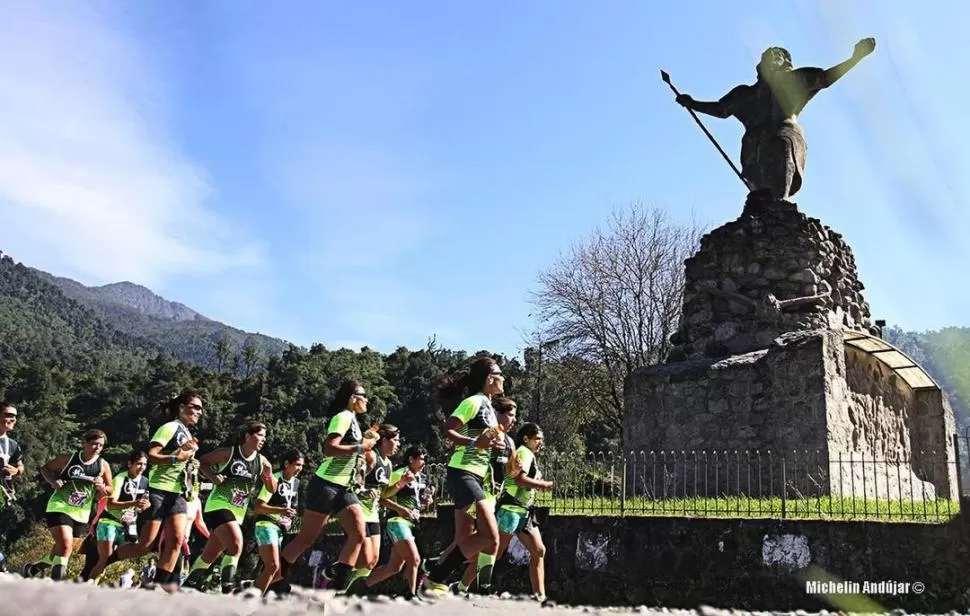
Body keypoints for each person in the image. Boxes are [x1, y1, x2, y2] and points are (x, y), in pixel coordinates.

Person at [673, 39, 876, 201]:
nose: (772, 58)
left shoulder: (795, 80)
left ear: (786, 61)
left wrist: (855, 58)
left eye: (777, 55)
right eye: (767, 56)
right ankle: (763, 207)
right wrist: (692, 103)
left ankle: (781, 202)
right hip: (754, 142)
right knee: (760, 183)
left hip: (785, 132)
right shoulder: (746, 93)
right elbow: (721, 109)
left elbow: (825, 79)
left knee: (781, 145)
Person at [278, 379, 378, 593]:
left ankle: (336, 588)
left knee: (358, 535)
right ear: (353, 398)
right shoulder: (343, 417)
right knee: (306, 538)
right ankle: (273, 577)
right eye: (364, 395)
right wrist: (361, 447)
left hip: (344, 487)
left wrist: (366, 455)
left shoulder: (353, 420)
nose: (367, 399)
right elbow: (330, 448)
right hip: (326, 484)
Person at [422, 357, 508, 595]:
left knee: (465, 539)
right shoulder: (474, 402)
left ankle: (431, 569)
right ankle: (435, 575)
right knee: (490, 537)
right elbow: (448, 429)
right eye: (500, 374)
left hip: (476, 476)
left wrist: (493, 446)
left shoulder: (489, 407)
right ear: (490, 378)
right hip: (464, 473)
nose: (504, 378)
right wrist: (475, 442)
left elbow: (483, 441)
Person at [104, 389, 203, 591]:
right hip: (158, 490)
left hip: (177, 494)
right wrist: (176, 458)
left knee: (177, 541)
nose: (199, 412)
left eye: (201, 409)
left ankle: (156, 587)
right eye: (195, 407)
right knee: (145, 546)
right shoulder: (169, 428)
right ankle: (108, 558)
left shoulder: (187, 433)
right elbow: (152, 455)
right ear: (182, 407)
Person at [182, 420, 276, 593]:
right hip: (218, 506)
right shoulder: (228, 453)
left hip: (237, 513)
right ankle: (227, 590)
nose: (264, 439)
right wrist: (212, 476)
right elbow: (202, 461)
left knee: (209, 556)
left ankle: (186, 588)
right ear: (247, 436)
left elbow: (272, 489)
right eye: (260, 435)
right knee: (236, 545)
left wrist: (269, 477)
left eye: (265, 436)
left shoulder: (262, 462)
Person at [23, 429, 113, 580]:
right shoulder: (68, 459)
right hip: (60, 505)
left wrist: (102, 487)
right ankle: (57, 587)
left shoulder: (103, 465)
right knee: (65, 545)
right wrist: (53, 482)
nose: (97, 448)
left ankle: (33, 569)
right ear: (85, 444)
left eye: (101, 445)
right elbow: (45, 469)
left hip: (82, 512)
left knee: (63, 549)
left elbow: (110, 490)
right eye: (94, 444)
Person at [454, 396, 518, 594]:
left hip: (493, 498)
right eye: (510, 415)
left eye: (515, 416)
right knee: (477, 543)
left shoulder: (510, 442)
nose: (514, 420)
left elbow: (510, 472)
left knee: (482, 546)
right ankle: (437, 571)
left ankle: (462, 586)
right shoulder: (486, 436)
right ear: (495, 414)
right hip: (478, 494)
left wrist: (516, 469)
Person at [359, 446, 431, 599]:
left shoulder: (422, 478)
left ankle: (360, 586)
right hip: (397, 522)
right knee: (414, 559)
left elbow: (417, 500)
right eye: (421, 459)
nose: (424, 463)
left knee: (393, 568)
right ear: (411, 459)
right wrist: (400, 509)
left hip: (413, 523)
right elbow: (383, 497)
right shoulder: (399, 473)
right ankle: (409, 596)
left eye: (425, 459)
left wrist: (426, 502)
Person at [495, 422, 554, 602]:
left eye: (541, 440)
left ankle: (540, 597)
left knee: (539, 550)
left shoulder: (527, 454)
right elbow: (520, 480)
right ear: (525, 438)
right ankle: (462, 584)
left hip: (524, 512)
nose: (540, 443)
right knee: (494, 552)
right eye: (536, 439)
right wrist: (543, 485)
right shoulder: (524, 452)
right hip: (510, 509)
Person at [344, 425, 400, 591]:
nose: (398, 444)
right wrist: (364, 490)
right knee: (365, 558)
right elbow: (354, 479)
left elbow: (383, 495)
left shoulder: (389, 464)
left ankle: (347, 590)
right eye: (395, 440)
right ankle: (336, 574)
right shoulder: (370, 456)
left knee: (372, 561)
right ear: (384, 440)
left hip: (373, 513)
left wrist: (401, 483)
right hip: (358, 509)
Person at [86, 450, 151, 583]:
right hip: (108, 522)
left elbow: (147, 501)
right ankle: (89, 586)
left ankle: (95, 582)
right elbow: (111, 504)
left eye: (144, 464)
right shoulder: (120, 478)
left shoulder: (145, 481)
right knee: (105, 557)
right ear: (130, 464)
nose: (142, 467)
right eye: (138, 464)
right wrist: (134, 502)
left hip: (128, 526)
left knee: (116, 557)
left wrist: (146, 505)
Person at [252, 449, 305, 596]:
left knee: (277, 574)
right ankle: (248, 603)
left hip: (282, 529)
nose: (299, 469)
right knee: (272, 566)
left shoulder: (296, 483)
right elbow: (258, 507)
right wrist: (281, 511)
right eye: (297, 465)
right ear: (287, 464)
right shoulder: (274, 480)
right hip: (266, 524)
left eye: (302, 466)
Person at [0, 402, 24, 505]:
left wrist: (17, 471)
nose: (13, 419)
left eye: (15, 416)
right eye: (9, 415)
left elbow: (20, 465)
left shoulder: (12, 444)